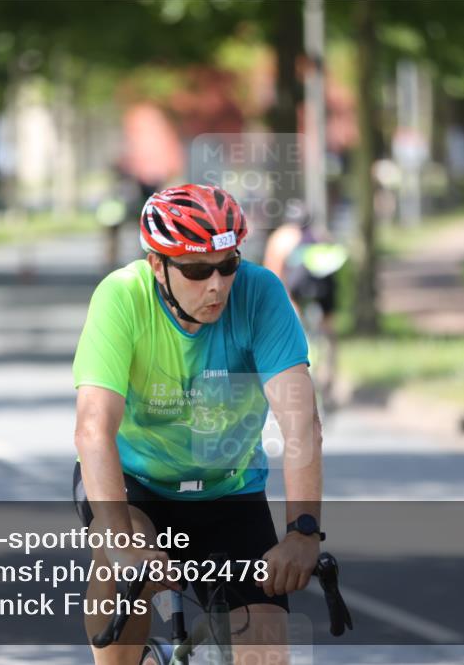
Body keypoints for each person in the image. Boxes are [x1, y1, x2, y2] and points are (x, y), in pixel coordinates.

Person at [72, 184, 324, 665]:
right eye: (195, 270)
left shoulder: (260, 293)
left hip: (228, 490)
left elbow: (301, 422)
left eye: (227, 265)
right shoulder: (122, 297)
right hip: (136, 485)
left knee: (266, 653)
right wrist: (122, 546)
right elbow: (92, 431)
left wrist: (303, 531)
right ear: (157, 266)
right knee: (121, 563)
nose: (216, 284)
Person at [263, 200, 347, 413]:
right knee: (329, 334)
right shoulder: (321, 234)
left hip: (298, 288)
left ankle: (298, 378)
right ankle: (329, 379)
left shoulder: (281, 237)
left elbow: (272, 276)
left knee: (294, 329)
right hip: (325, 289)